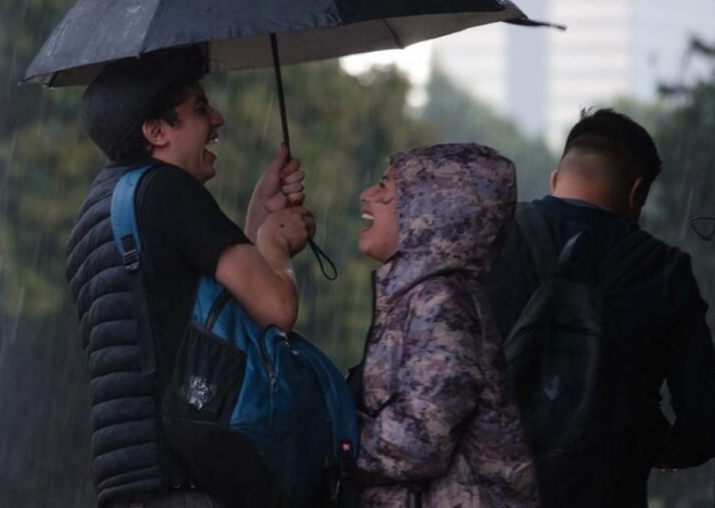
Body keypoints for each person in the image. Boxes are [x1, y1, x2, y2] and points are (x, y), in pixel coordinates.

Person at [64, 47, 314, 508]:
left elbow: (188, 307)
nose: (216, 119)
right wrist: (277, 245)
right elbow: (276, 307)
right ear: (155, 131)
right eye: (199, 109)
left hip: (130, 478)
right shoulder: (167, 190)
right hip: (189, 474)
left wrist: (260, 212)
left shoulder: (101, 210)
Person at [485, 108, 715, 507]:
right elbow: (703, 418)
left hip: (491, 492)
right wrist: (643, 448)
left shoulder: (490, 242)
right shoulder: (663, 270)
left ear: (556, 179)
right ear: (636, 192)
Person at [354, 143, 539, 507]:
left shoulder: (443, 304)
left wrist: (326, 441)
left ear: (429, 210)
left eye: (384, 187)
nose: (367, 196)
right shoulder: (419, 298)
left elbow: (418, 441)